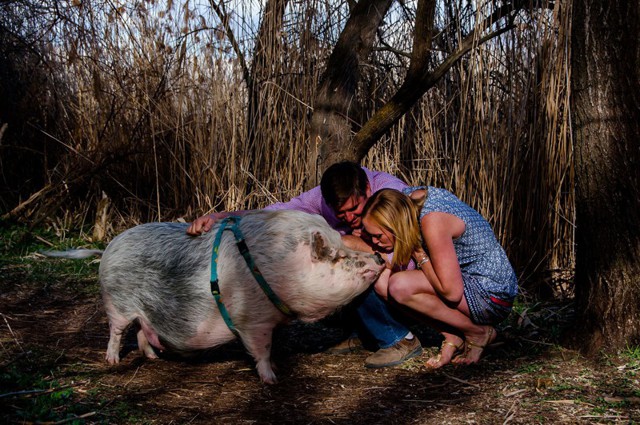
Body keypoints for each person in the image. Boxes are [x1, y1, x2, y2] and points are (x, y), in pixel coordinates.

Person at [186, 161, 422, 368]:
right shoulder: (319, 198)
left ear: (368, 190)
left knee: (358, 261)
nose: (350, 218)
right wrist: (223, 216)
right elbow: (276, 214)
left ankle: (399, 338)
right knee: (334, 259)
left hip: (408, 275)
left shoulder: (392, 192)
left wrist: (358, 244)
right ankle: (365, 333)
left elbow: (408, 256)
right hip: (378, 265)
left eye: (354, 209)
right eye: (342, 214)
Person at [359, 187, 518, 368]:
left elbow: (451, 293)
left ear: (396, 225)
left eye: (378, 236)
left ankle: (477, 332)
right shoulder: (410, 200)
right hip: (471, 283)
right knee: (383, 283)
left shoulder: (432, 220)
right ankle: (452, 336)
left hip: (492, 295)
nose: (374, 242)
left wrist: (419, 255)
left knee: (399, 286)